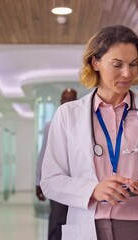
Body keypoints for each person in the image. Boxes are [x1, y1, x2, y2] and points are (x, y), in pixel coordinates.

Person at [40, 25, 138, 240]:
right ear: (95, 62)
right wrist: (94, 190)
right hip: (88, 227)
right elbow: (50, 181)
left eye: (133, 64)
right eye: (117, 64)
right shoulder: (68, 115)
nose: (127, 73)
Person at [35, 88, 78, 240]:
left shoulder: (85, 125)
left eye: (71, 99)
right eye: (65, 99)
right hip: (58, 181)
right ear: (60, 103)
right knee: (57, 221)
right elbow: (44, 154)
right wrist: (38, 180)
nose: (67, 102)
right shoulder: (50, 125)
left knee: (76, 223)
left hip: (79, 184)